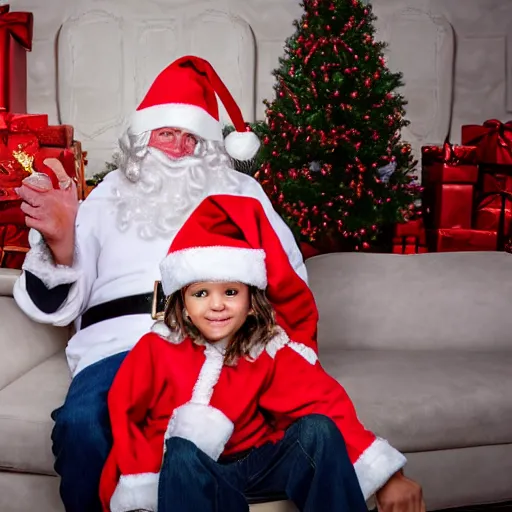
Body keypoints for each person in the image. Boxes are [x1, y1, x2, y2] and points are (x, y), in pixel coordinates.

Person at [12, 56, 307, 512]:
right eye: (166, 133)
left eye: (191, 137)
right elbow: (59, 305)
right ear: (142, 138)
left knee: (226, 435)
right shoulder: (108, 192)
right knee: (82, 425)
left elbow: (288, 276)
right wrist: (61, 242)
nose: (176, 148)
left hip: (215, 343)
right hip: (119, 345)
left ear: (210, 147)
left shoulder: (242, 194)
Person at [99, 194, 424, 512]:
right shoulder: (157, 348)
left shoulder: (268, 350)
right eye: (201, 293)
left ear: (251, 301)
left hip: (257, 467)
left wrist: (387, 475)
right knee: (182, 453)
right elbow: (126, 416)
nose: (216, 305)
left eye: (230, 291)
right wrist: (137, 484)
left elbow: (325, 403)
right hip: (187, 474)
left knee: (318, 429)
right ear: (182, 302)